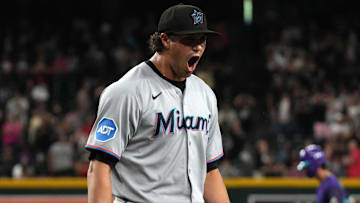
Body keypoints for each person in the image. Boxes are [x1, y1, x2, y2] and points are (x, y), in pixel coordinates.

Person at [85, 4, 230, 203]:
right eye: (189, 40)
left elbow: (209, 171)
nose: (197, 47)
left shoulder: (204, 94)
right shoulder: (127, 92)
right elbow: (99, 167)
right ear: (165, 40)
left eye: (202, 40)